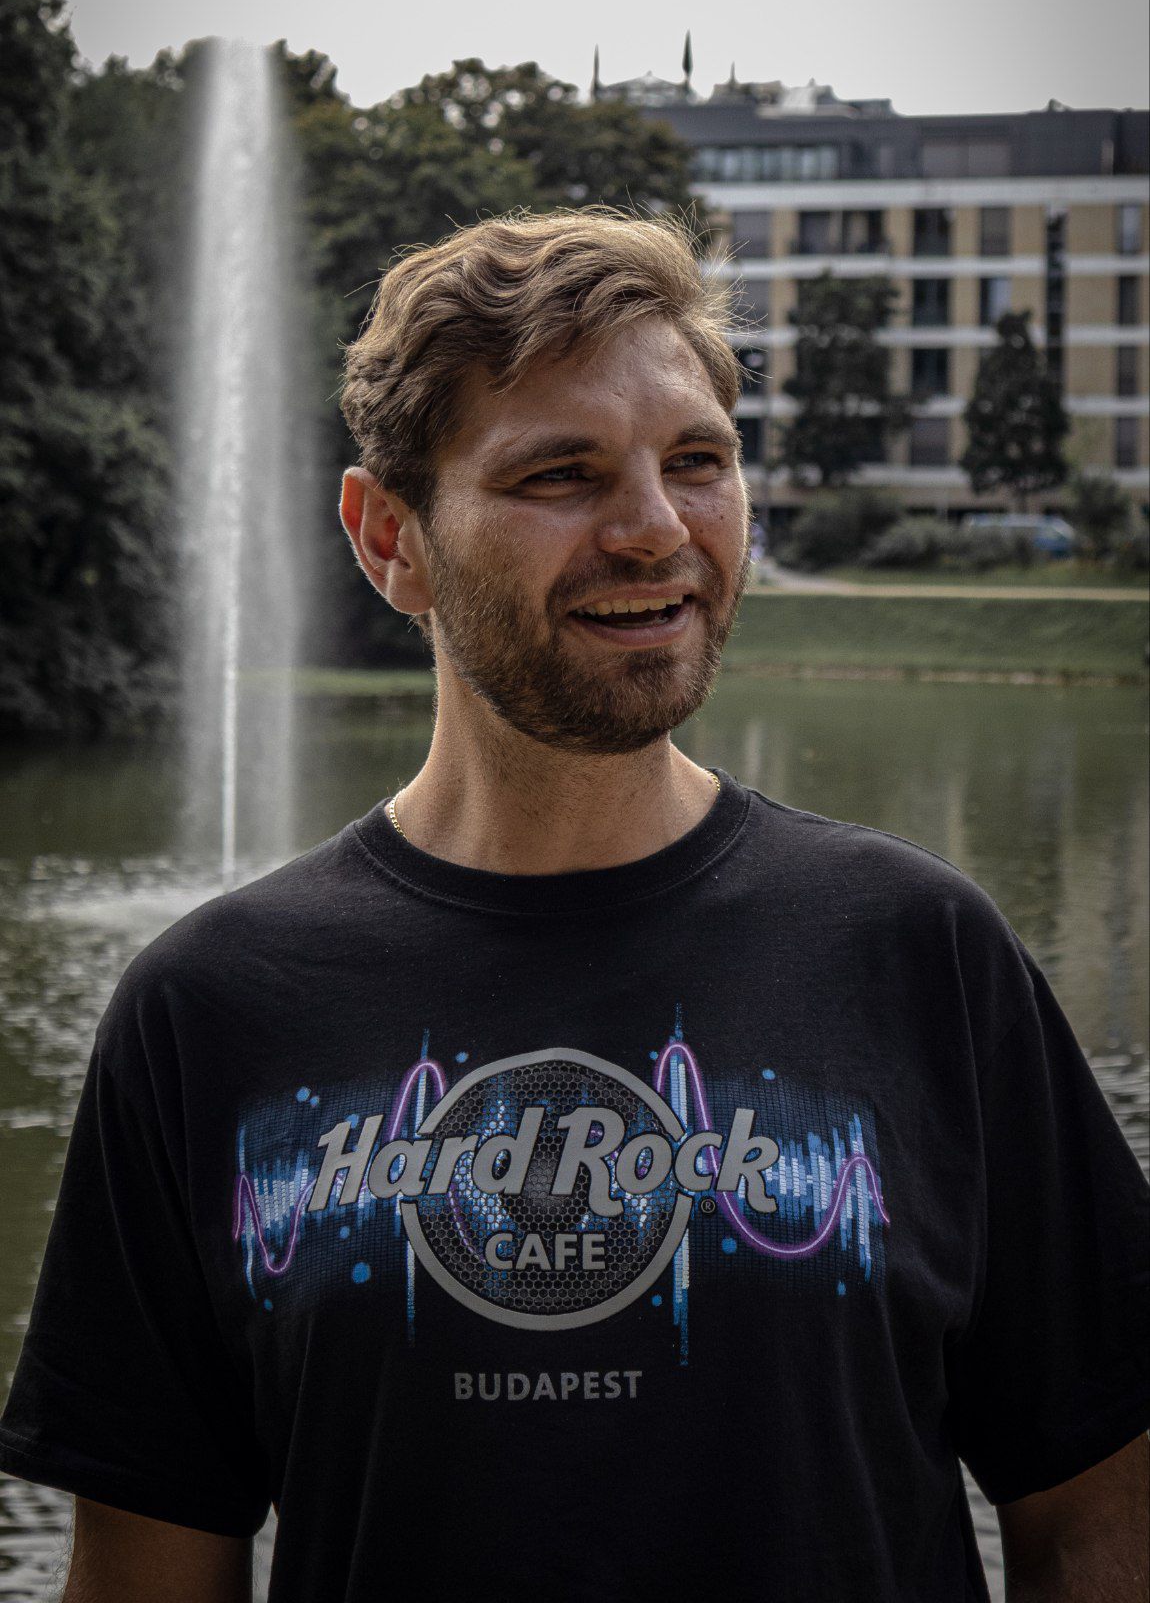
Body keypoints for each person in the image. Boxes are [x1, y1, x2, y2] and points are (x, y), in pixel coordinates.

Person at [1, 209, 1146, 1603]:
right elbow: (146, 1574)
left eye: (697, 462)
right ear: (390, 538)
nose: (655, 528)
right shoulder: (207, 1008)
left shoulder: (923, 954)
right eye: (560, 473)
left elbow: (1100, 1518)